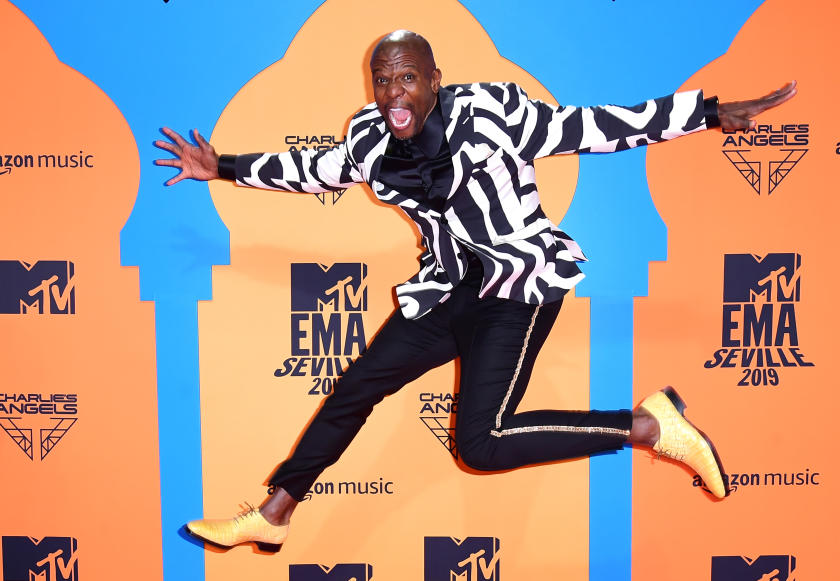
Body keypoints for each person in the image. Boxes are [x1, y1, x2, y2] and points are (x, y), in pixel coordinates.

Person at [156, 29, 797, 552]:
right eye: (382, 79)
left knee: (480, 445)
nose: (392, 92)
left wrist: (706, 114)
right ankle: (274, 512)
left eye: (406, 77)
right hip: (447, 290)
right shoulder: (369, 138)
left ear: (434, 80)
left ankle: (647, 426)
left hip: (517, 286)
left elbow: (591, 127)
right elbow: (314, 169)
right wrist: (225, 168)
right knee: (357, 386)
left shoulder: (493, 114)